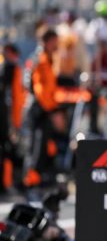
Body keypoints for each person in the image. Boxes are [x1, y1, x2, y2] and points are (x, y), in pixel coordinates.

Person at [25, 29, 63, 187]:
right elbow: (41, 91)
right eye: (55, 41)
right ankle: (32, 182)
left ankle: (42, 178)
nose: (57, 45)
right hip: (38, 110)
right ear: (47, 41)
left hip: (45, 110)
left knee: (47, 146)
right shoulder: (40, 60)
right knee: (37, 147)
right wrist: (53, 110)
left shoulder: (48, 59)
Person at [0, 43, 25, 190]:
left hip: (6, 117)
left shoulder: (9, 68)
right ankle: (6, 183)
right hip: (5, 118)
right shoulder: (12, 68)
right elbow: (15, 98)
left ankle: (6, 183)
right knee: (8, 149)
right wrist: (16, 123)